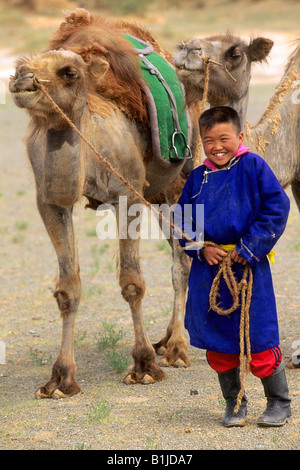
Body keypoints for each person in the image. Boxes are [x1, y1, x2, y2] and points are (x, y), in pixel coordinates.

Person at [175, 106, 291, 427]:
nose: (217, 146)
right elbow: (183, 220)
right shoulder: (198, 177)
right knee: (220, 345)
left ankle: (279, 403)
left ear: (239, 137)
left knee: (261, 340)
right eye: (209, 140)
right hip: (211, 272)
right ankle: (234, 403)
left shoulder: (253, 166)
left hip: (249, 268)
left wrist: (251, 245)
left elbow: (277, 206)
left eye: (224, 138)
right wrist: (200, 248)